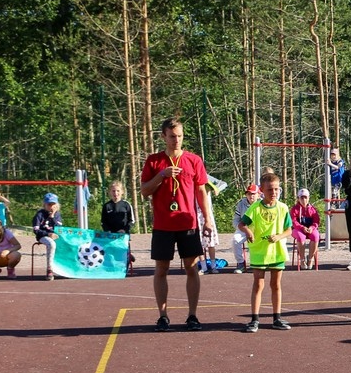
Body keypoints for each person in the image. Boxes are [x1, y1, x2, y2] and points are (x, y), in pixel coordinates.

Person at [140, 117, 215, 331]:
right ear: (164, 136)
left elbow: (201, 191)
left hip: (188, 223)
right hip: (163, 225)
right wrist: (161, 176)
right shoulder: (154, 161)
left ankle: (192, 316)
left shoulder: (194, 160)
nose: (176, 140)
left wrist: (207, 219)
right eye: (172, 136)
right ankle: (162, 316)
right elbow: (145, 190)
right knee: (161, 269)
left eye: (180, 136)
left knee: (192, 268)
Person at [238, 172, 291, 332]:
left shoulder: (282, 208)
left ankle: (277, 318)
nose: (273, 193)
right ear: (262, 190)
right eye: (270, 190)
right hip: (260, 252)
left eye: (276, 189)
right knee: (258, 284)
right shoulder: (255, 208)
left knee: (275, 285)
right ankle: (254, 319)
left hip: (277, 252)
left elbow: (289, 229)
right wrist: (248, 231)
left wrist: (279, 236)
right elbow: (242, 224)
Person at [100, 181, 136, 276]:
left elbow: (132, 221)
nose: (115, 193)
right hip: (111, 235)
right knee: (111, 252)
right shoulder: (106, 206)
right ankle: (112, 269)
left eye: (118, 191)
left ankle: (125, 267)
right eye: (113, 191)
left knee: (123, 253)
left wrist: (124, 230)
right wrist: (108, 231)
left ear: (122, 192)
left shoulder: (126, 205)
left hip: (123, 235)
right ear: (109, 192)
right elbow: (103, 222)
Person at [230, 184, 260, 273]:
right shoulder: (241, 204)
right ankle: (241, 263)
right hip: (243, 228)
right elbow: (236, 220)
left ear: (258, 194)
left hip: (258, 229)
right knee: (235, 240)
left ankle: (257, 263)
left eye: (254, 194)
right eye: (249, 194)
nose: (251, 196)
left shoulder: (262, 204)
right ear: (246, 195)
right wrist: (244, 229)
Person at [32, 193, 62, 281]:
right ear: (44, 205)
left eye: (53, 204)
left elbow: (59, 229)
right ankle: (50, 269)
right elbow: (36, 230)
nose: (51, 207)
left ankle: (66, 268)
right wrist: (48, 234)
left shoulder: (57, 215)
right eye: (49, 204)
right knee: (51, 244)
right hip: (43, 236)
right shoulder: (39, 215)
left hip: (55, 235)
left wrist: (52, 218)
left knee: (68, 243)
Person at [290, 188, 322, 270]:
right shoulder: (294, 209)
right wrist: (302, 227)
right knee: (301, 237)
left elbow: (316, 221)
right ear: (298, 198)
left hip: (310, 229)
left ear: (308, 198)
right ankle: (302, 259)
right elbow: (293, 222)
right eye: (301, 197)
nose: (304, 199)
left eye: (305, 197)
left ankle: (310, 258)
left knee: (316, 236)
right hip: (297, 229)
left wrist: (312, 227)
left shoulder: (313, 209)